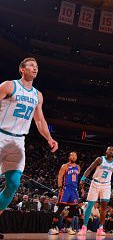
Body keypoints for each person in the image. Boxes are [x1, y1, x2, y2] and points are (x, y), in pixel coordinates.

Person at [0, 57, 58, 238]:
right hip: (1, 134)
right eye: (31, 65)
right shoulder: (9, 86)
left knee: (14, 183)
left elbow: (39, 120)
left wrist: (49, 138)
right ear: (22, 69)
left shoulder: (37, 95)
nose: (35, 68)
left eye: (37, 66)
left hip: (19, 141)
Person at [78, 146, 113, 236]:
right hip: (95, 183)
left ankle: (100, 228)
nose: (111, 151)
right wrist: (83, 178)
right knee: (90, 205)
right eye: (109, 150)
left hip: (106, 185)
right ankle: (84, 227)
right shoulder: (100, 159)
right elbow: (90, 168)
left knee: (104, 207)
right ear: (106, 151)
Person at [49, 151, 84, 235]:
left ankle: (67, 227)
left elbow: (77, 179)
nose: (74, 157)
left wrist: (81, 188)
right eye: (72, 155)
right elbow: (60, 177)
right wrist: (60, 187)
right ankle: (53, 227)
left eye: (75, 155)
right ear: (69, 157)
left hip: (74, 190)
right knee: (61, 208)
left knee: (73, 209)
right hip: (65, 189)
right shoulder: (65, 166)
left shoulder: (78, 167)